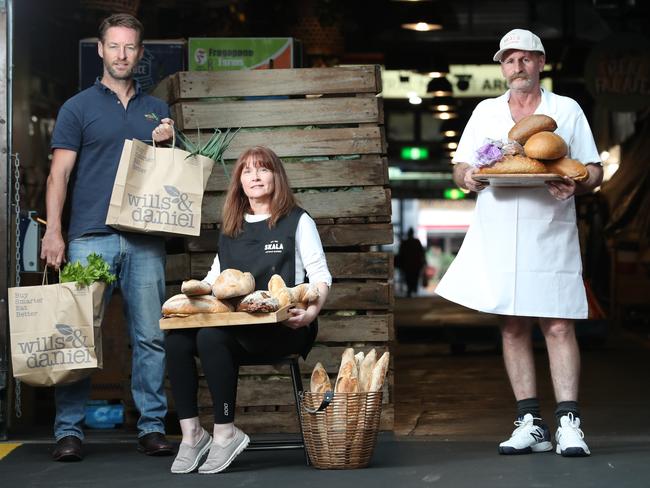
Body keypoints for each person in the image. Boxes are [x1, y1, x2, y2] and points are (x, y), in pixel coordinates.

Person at [435, 29, 603, 457]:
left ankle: (569, 422)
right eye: (510, 60)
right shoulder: (486, 112)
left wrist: (578, 185)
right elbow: (461, 166)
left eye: (526, 59)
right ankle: (530, 422)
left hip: (550, 227)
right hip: (498, 230)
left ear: (541, 63)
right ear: (502, 66)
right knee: (511, 326)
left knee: (559, 322)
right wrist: (468, 177)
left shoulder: (565, 110)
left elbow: (595, 170)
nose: (518, 67)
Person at [41, 13, 176, 461]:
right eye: (113, 46)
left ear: (140, 53)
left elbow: (169, 178)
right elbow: (59, 175)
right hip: (88, 237)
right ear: (100, 49)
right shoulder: (78, 107)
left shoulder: (157, 110)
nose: (121, 54)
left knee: (150, 338)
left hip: (144, 238)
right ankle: (68, 431)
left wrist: (167, 144)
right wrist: (54, 233)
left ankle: (152, 426)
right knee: (75, 335)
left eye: (130, 47)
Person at [164, 146, 331, 474]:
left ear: (276, 176)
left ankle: (225, 433)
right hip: (236, 328)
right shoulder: (232, 227)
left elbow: (320, 276)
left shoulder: (297, 220)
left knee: (211, 338)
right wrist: (188, 295)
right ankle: (193, 435)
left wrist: (311, 313)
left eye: (263, 169)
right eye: (247, 171)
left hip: (285, 329)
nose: (255, 176)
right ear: (239, 181)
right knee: (176, 340)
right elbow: (213, 281)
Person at [397, 227, 426, 297]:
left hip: (407, 264)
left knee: (408, 277)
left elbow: (401, 254)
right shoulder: (416, 242)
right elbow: (422, 253)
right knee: (414, 277)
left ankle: (410, 289)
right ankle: (413, 288)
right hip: (416, 264)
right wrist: (423, 262)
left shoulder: (405, 243)